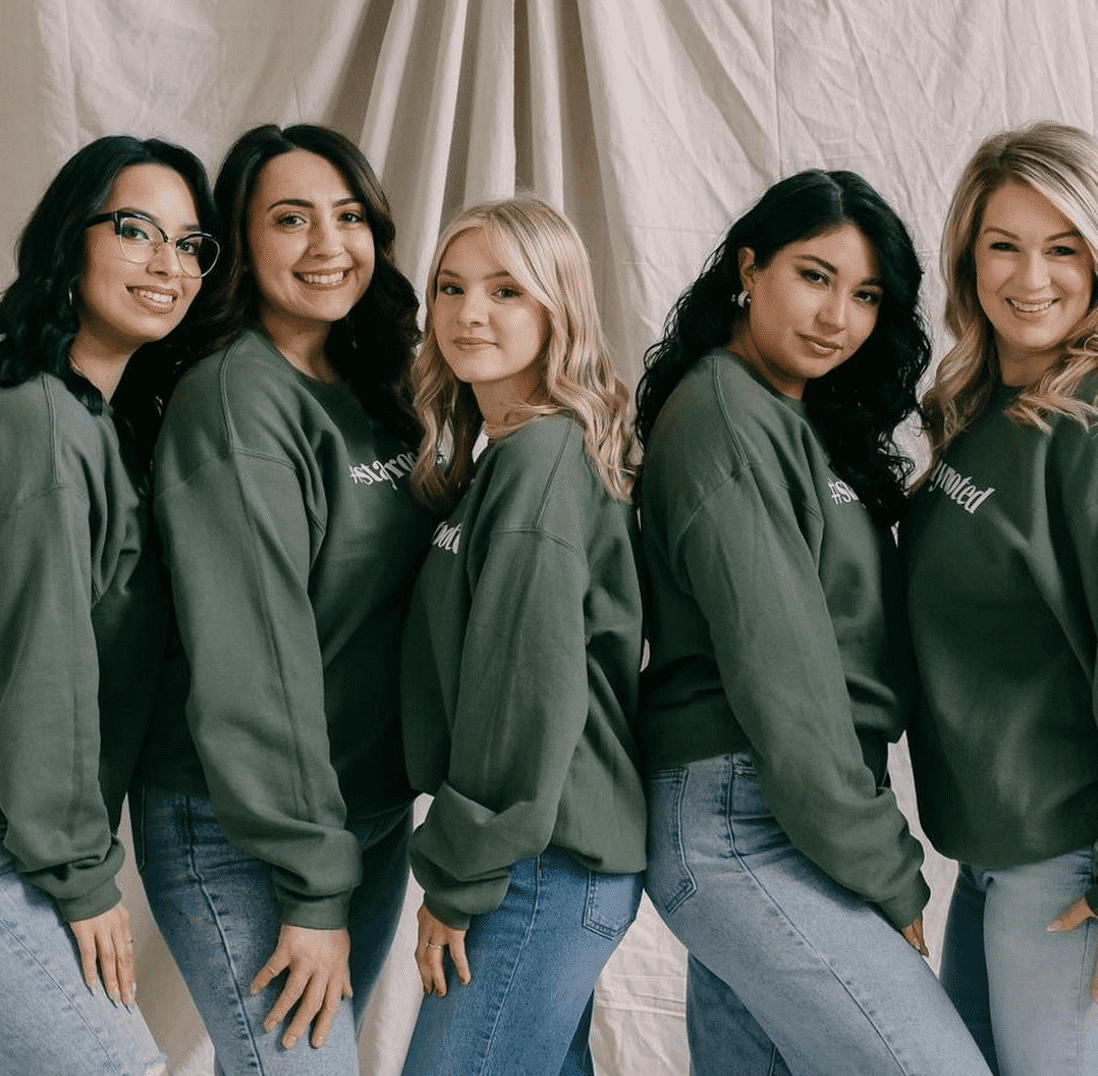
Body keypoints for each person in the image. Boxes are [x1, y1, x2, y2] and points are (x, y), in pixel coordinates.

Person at [634, 169, 993, 1075]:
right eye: (815, 275)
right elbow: (782, 675)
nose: (838, 316)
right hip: (743, 817)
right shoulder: (723, 414)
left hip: (796, 810)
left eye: (867, 293)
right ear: (748, 269)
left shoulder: (794, 419)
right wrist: (886, 867)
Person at [134, 123, 434, 1073]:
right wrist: (309, 888)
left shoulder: (377, 384)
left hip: (366, 812)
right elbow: (252, 662)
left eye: (349, 218)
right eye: (290, 219)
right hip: (246, 827)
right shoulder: (233, 399)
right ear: (240, 243)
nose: (327, 245)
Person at [398, 195, 646, 1076]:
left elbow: (521, 692)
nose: (470, 313)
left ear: (558, 309)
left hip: (540, 864)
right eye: (451, 288)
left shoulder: (541, 465)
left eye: (507, 290)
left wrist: (461, 880)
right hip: (546, 859)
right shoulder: (506, 458)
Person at [0, 134, 218, 1075]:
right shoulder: (42, 418)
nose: (167, 264)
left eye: (190, 243)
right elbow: (42, 666)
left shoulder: (103, 426)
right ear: (70, 235)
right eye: (136, 230)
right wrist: (86, 884)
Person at [904, 121, 1098, 1076]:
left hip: (1066, 862)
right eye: (1005, 245)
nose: (1033, 277)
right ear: (967, 257)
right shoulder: (982, 412)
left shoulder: (1089, 423)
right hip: (989, 855)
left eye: (1064, 247)